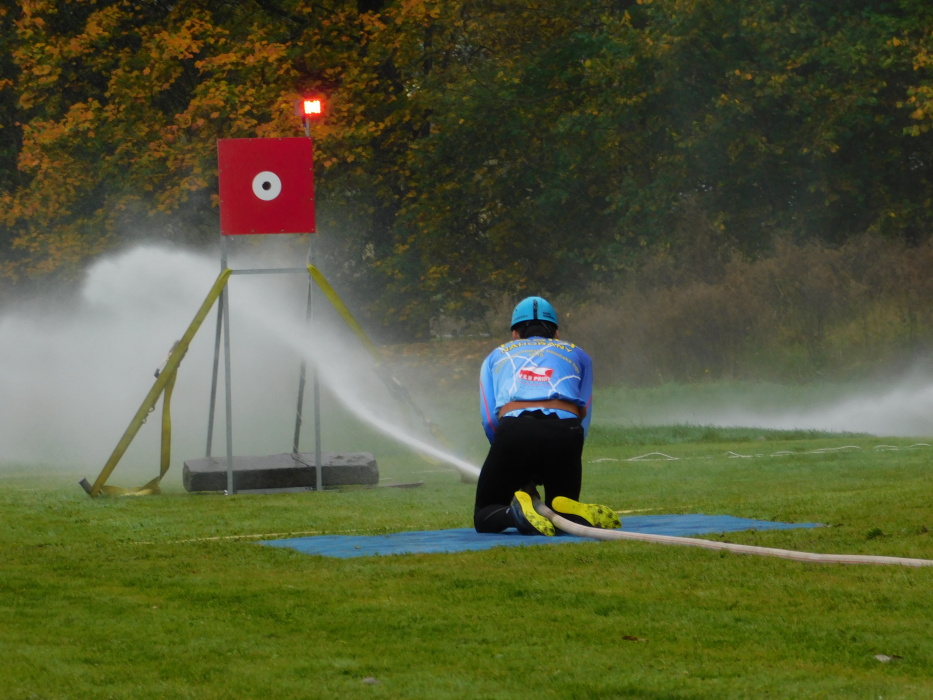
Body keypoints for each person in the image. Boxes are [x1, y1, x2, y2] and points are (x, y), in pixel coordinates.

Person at [474, 296, 620, 536]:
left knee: (484, 514)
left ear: (515, 334)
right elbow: (584, 413)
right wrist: (569, 451)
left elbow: (489, 419)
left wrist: (507, 457)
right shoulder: (579, 354)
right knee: (561, 513)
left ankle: (517, 514)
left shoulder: (495, 356)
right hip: (566, 433)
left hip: (515, 432)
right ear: (556, 333)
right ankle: (570, 512)